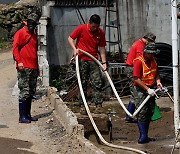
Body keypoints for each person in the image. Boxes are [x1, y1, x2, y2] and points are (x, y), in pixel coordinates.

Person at [68, 14, 107, 114]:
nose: (95, 28)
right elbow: (70, 38)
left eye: (97, 26)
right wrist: (74, 49)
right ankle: (83, 106)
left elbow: (102, 48)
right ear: (89, 23)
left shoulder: (100, 32)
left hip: (93, 60)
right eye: (93, 26)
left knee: (97, 82)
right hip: (82, 59)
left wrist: (104, 63)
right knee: (82, 83)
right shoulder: (81, 28)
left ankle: (98, 105)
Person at [132, 42, 163, 144]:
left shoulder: (154, 60)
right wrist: (147, 89)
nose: (153, 55)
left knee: (149, 111)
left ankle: (145, 135)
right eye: (152, 54)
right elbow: (136, 79)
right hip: (141, 89)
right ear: (147, 53)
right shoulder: (138, 62)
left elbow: (157, 73)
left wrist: (158, 82)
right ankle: (143, 136)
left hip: (151, 88)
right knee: (142, 112)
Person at [13, 13, 40, 123]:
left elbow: (35, 52)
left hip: (33, 66)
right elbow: (15, 48)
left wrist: (37, 67)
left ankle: (28, 114)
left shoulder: (34, 34)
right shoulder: (20, 33)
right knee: (24, 91)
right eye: (30, 23)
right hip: (24, 67)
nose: (32, 25)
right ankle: (22, 116)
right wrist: (19, 62)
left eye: (34, 24)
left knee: (31, 91)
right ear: (27, 22)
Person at [125, 32, 156, 123]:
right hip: (133, 69)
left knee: (134, 93)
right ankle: (133, 115)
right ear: (147, 39)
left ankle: (130, 114)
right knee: (136, 92)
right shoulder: (140, 46)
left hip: (134, 68)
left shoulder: (139, 43)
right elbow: (140, 62)